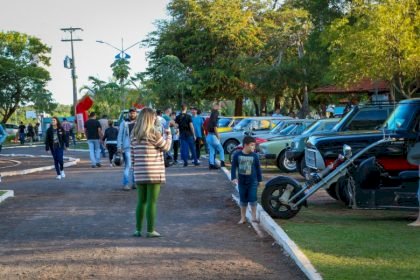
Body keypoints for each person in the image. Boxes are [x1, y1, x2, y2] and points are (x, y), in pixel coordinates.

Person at [131, 108, 172, 238]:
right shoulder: (154, 133)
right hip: (154, 171)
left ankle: (137, 230)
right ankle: (150, 230)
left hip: (139, 171)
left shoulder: (134, 133)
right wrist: (169, 135)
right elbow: (165, 147)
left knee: (141, 201)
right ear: (150, 118)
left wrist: (135, 168)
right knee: (151, 202)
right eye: (154, 117)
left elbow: (132, 155)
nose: (155, 119)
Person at [231, 136, 263, 224]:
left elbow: (258, 168)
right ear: (245, 145)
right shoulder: (237, 155)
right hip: (242, 182)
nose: (254, 147)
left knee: (253, 199)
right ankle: (243, 218)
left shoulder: (255, 156)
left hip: (253, 181)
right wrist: (233, 177)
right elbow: (233, 167)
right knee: (243, 200)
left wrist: (260, 180)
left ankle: (253, 217)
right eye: (252, 145)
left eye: (254, 145)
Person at [117, 107, 137, 191]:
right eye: (131, 112)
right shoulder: (124, 123)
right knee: (128, 165)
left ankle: (135, 183)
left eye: (133, 112)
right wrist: (119, 146)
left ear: (136, 113)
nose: (132, 114)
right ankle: (125, 183)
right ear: (128, 113)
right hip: (127, 147)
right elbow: (120, 135)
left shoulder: (139, 123)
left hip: (137, 147)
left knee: (136, 166)